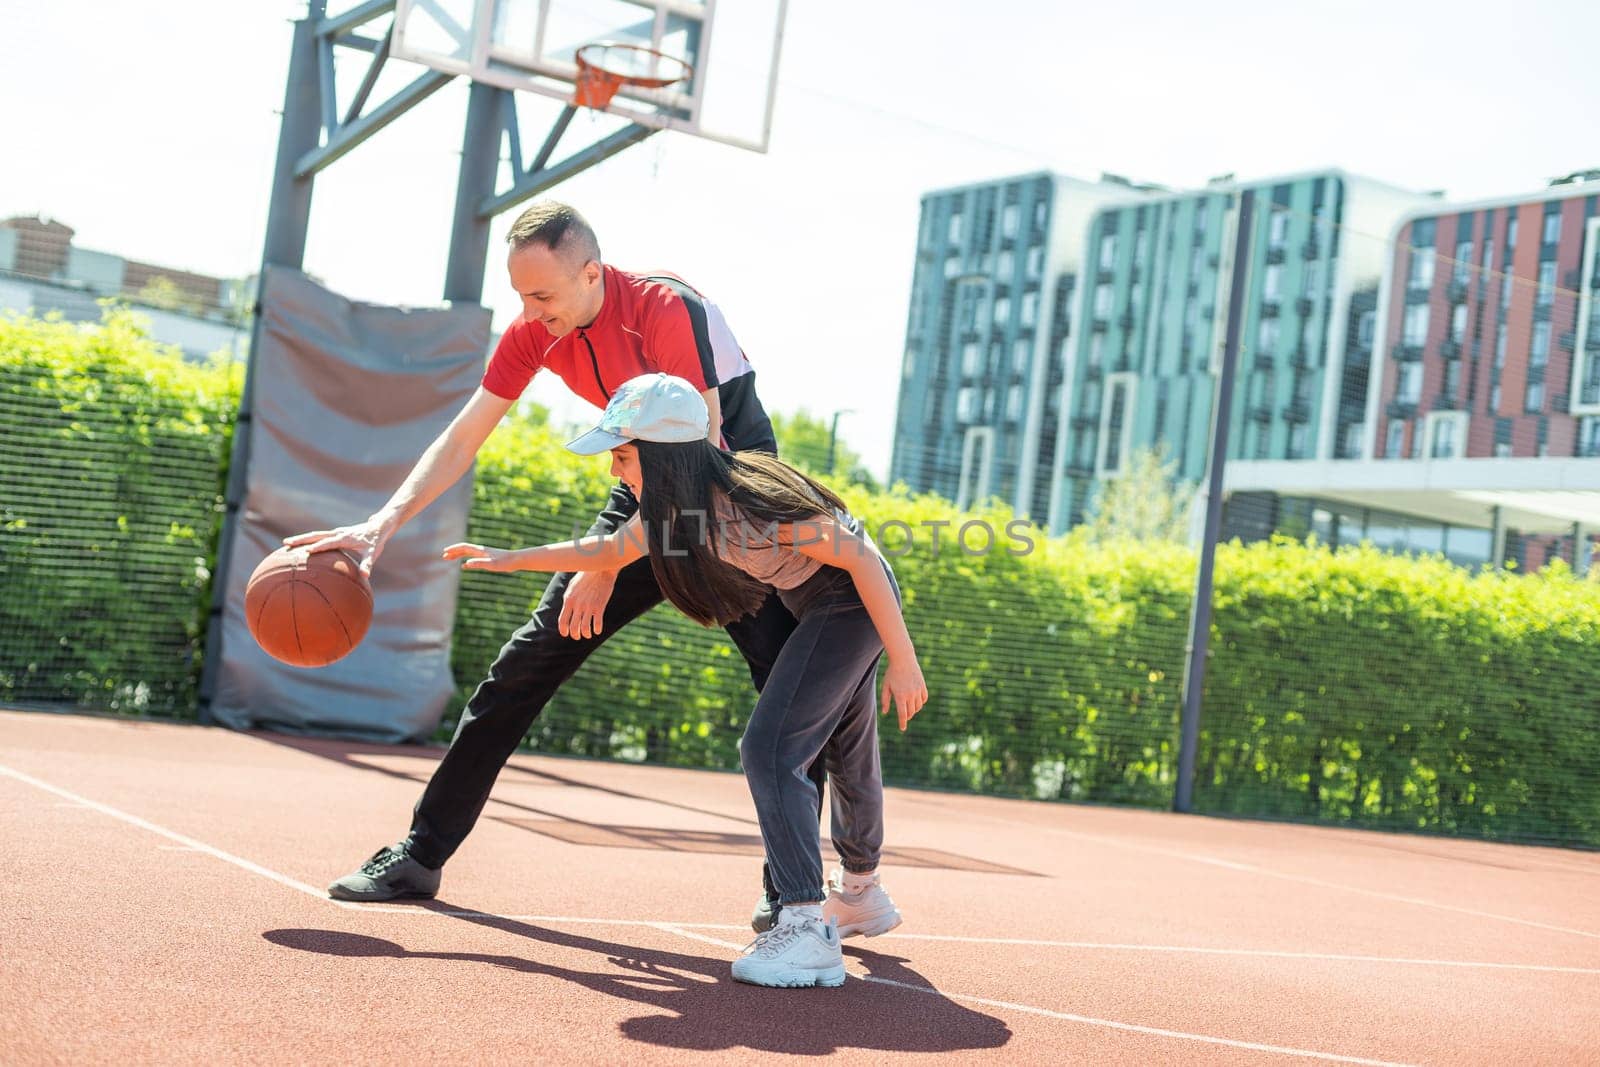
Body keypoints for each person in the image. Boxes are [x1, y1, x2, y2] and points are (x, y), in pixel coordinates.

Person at [293, 202, 855, 930]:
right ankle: (420, 852)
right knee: (524, 663)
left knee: (785, 682)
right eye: (521, 295)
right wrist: (381, 525)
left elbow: (701, 452)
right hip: (641, 483)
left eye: (543, 295)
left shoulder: (663, 309)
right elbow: (467, 434)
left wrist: (606, 562)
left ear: (592, 273)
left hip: (727, 485)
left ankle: (797, 888)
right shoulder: (538, 331)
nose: (529, 312)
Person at [442, 373, 929, 988]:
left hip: (851, 600)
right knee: (845, 746)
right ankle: (859, 892)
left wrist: (903, 660)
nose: (614, 471)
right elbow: (607, 553)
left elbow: (860, 558)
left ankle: (806, 925)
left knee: (772, 748)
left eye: (622, 455)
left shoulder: (748, 502)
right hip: (820, 603)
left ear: (662, 453)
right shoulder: (671, 511)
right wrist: (507, 558)